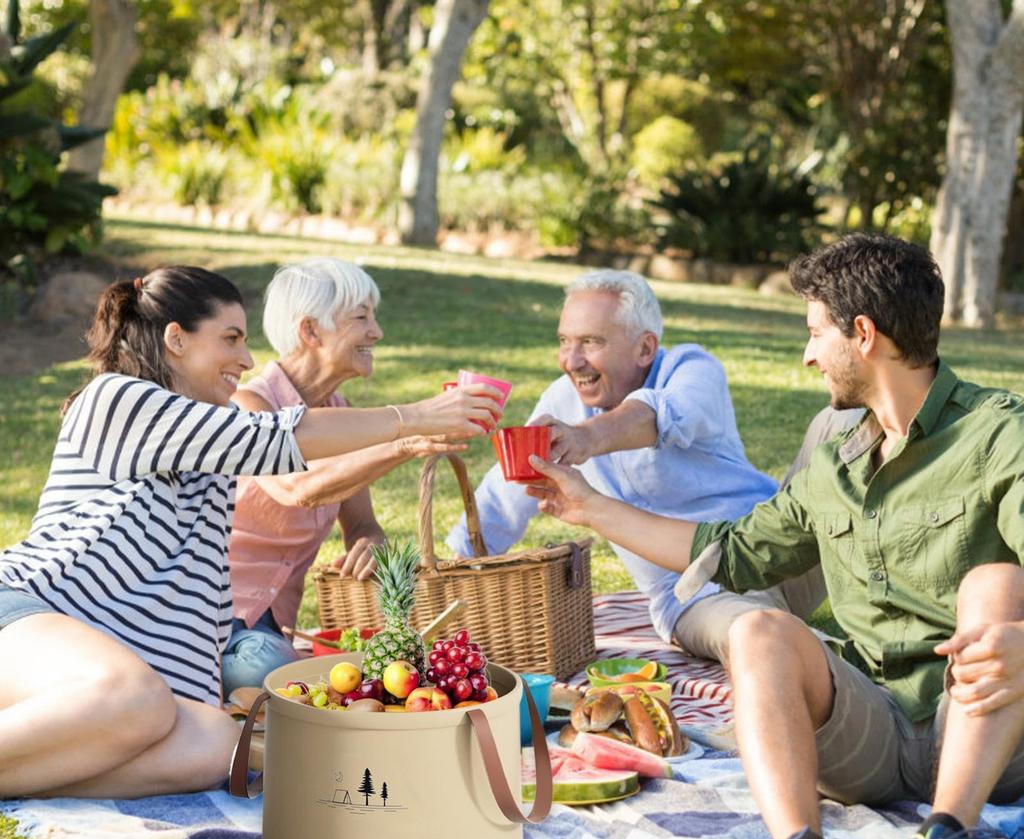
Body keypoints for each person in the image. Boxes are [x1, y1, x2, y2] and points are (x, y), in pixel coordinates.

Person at [524, 234, 1024, 839]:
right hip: (876, 729)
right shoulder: (837, 457)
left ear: (863, 334)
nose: (807, 353)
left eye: (816, 332)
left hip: (983, 731)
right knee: (755, 631)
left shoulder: (999, 434)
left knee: (996, 583)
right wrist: (586, 506)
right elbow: (725, 553)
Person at [0, 266, 502, 800]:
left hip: (109, 680)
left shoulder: (211, 469)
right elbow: (272, 440)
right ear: (176, 339)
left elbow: (205, 608)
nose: (246, 359)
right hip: (28, 617)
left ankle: (32, 769)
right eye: (231, 339)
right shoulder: (116, 400)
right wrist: (417, 417)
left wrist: (205, 696)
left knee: (220, 742)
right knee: (137, 697)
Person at [447, 269, 859, 663]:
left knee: (844, 420)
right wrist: (448, 573)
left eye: (590, 342)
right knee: (760, 637)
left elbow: (660, 415)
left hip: (781, 549)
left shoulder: (693, 369)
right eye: (564, 341)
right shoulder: (561, 401)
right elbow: (501, 502)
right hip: (696, 594)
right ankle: (840, 665)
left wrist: (586, 437)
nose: (571, 360)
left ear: (645, 348)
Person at [223, 258, 464, 693]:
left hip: (272, 630)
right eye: (361, 318)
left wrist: (369, 543)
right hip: (220, 623)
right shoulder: (248, 406)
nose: (377, 332)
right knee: (279, 680)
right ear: (310, 331)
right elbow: (297, 487)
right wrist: (405, 441)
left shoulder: (340, 411)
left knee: (365, 678)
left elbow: (362, 524)